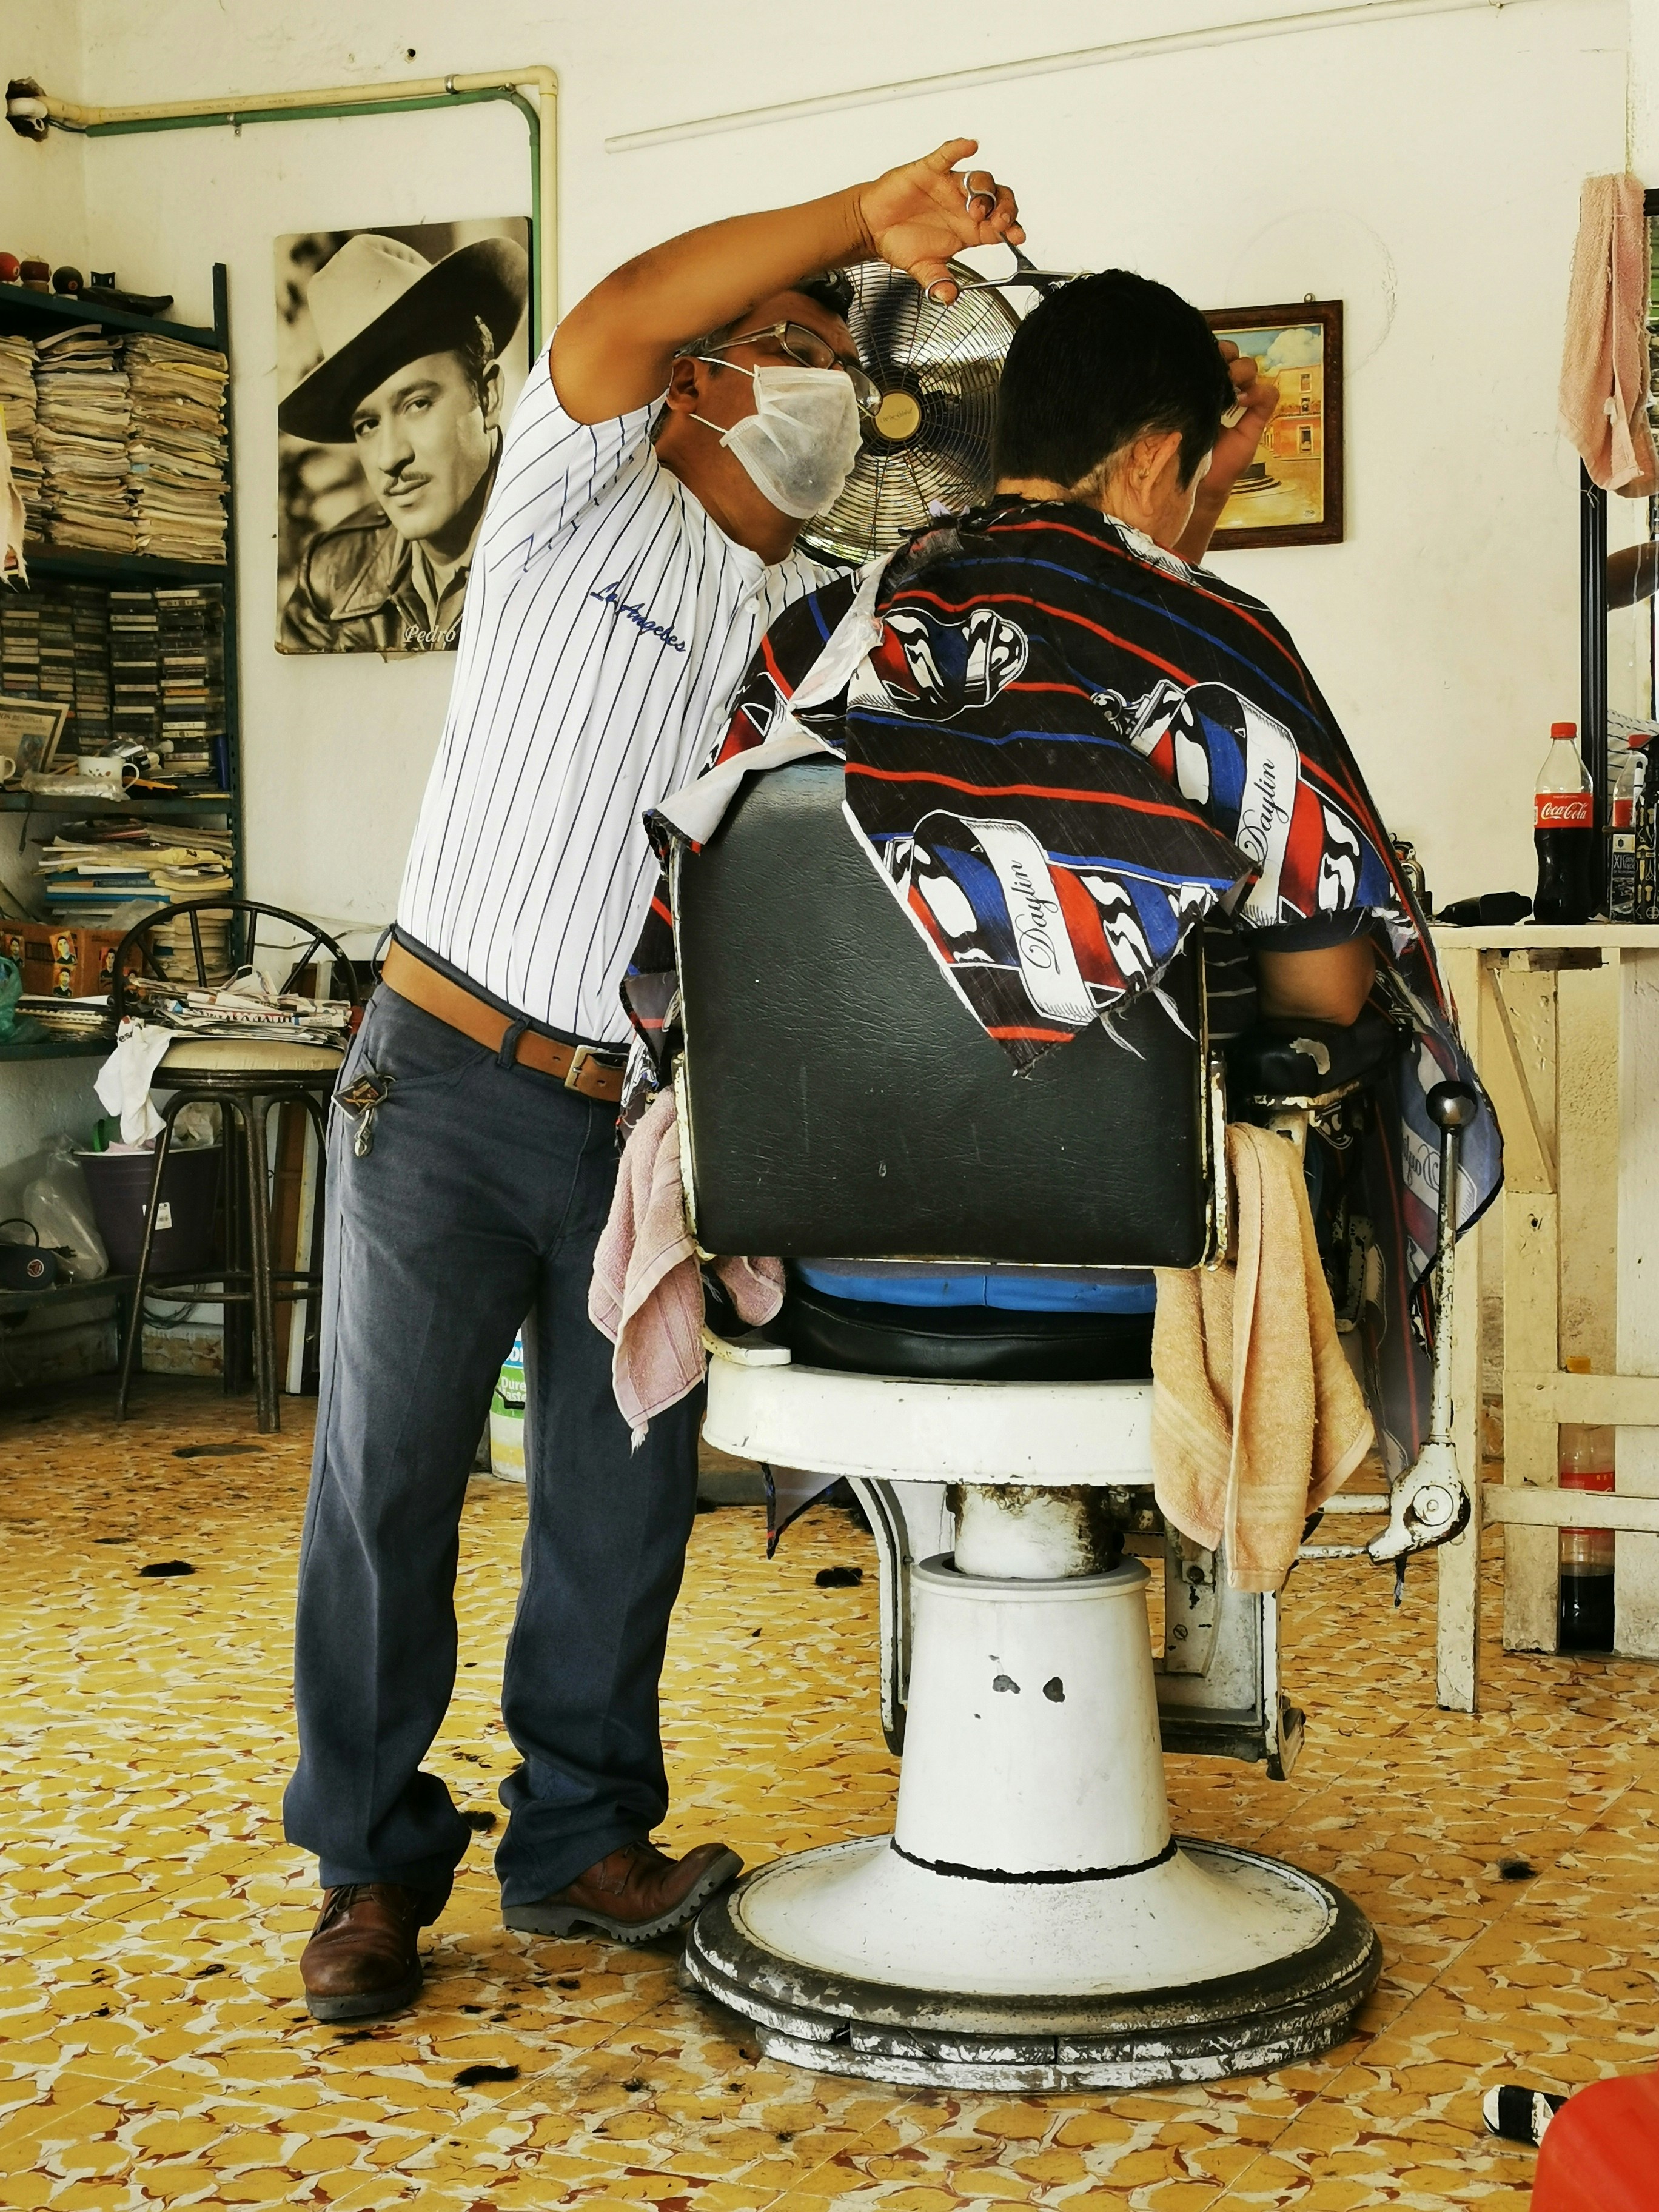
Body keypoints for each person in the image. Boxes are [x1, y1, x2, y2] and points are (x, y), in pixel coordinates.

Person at [282, 139, 1059, 2026]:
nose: (817, 381)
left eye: (835, 356)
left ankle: (577, 1837)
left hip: (639, 1123)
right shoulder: (569, 495)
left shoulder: (821, 618)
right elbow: (617, 309)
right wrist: (860, 223)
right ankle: (369, 1865)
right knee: (386, 1488)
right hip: (444, 1077)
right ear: (708, 370)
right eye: (786, 338)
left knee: (619, 1497)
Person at [623, 269, 1498, 1478]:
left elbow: (708, 960)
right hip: (1140, 1276)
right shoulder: (1215, 645)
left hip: (830, 1260)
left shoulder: (820, 640)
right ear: (1152, 458)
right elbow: (1331, 995)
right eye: (1199, 474)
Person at [277, 232, 528, 654]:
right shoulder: (329, 581)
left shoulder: (572, 547)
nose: (391, 457)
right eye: (367, 426)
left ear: (487, 397)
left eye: (417, 404)